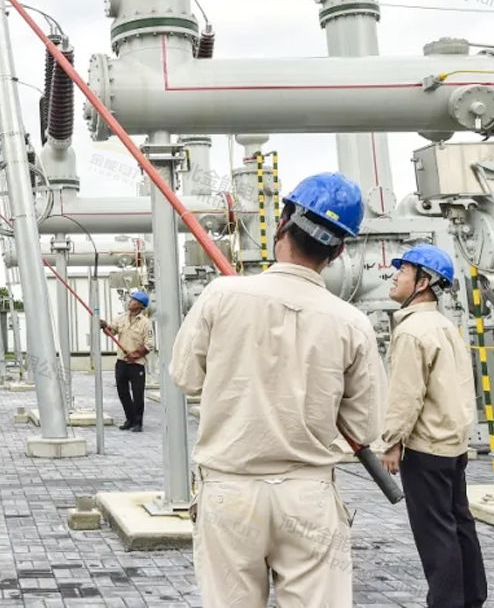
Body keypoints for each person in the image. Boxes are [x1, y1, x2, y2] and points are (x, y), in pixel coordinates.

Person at [170, 172, 385, 608]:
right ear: (339, 250)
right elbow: (365, 427)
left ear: (284, 222)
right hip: (308, 496)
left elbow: (186, 377)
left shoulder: (221, 296)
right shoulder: (352, 323)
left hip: (230, 491)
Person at [379, 244, 487, 608]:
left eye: (403, 271)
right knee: (460, 524)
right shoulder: (444, 326)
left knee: (435, 533)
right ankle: (472, 598)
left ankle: (445, 603)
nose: (394, 276)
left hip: (425, 449)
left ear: (423, 282)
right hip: (452, 446)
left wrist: (392, 441)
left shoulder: (412, 331)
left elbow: (406, 394)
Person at [100, 288, 154, 432]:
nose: (130, 302)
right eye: (131, 299)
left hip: (137, 364)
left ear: (140, 305)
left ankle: (138, 422)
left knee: (137, 394)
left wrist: (135, 355)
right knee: (122, 392)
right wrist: (105, 326)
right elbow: (111, 331)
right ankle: (129, 419)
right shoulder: (121, 318)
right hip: (122, 362)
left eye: (134, 300)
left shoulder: (145, 323)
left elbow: (149, 345)